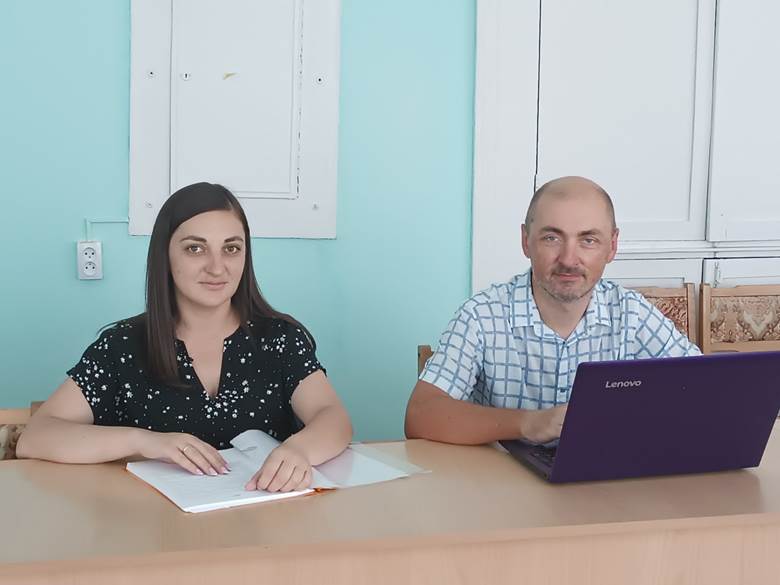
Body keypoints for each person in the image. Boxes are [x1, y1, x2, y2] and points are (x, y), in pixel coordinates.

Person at [17, 182, 352, 493]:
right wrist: (144, 442)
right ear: (165, 255)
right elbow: (37, 436)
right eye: (195, 248)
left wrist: (299, 449)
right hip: (152, 527)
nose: (217, 267)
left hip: (269, 523)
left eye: (231, 248)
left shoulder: (280, 338)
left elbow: (332, 416)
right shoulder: (121, 346)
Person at [405, 176, 700, 446]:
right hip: (500, 481)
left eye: (588, 240)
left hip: (605, 479)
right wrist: (528, 423)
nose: (569, 259)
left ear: (612, 246)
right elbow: (420, 415)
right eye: (552, 238)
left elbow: (706, 392)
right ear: (526, 241)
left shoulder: (632, 314)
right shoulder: (481, 315)